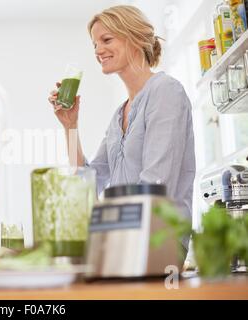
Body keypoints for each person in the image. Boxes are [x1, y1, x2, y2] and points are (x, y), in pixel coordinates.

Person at [48, 5, 195, 250]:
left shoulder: (166, 92)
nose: (98, 50)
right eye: (95, 44)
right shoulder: (119, 115)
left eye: (106, 40)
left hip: (158, 244)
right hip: (122, 241)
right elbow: (88, 185)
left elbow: (156, 185)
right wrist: (70, 126)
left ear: (135, 37)